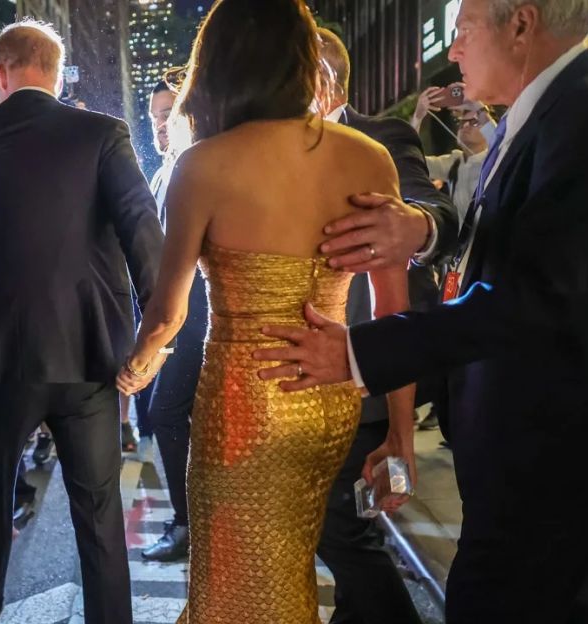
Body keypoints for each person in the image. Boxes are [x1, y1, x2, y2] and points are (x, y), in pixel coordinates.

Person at [258, 0, 588, 621]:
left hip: (558, 438)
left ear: (522, 24)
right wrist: (421, 235)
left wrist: (356, 350)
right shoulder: (550, 112)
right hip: (525, 430)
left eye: (462, 32)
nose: (452, 52)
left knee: (491, 600)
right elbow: (502, 248)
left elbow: (537, 296)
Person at [116, 1, 416, 622]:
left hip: (244, 407)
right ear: (305, 60)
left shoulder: (200, 166)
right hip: (332, 405)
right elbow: (394, 312)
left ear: (217, 66)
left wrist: (134, 370)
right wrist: (400, 436)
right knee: (290, 563)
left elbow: (167, 314)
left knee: (237, 585)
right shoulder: (368, 157)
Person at [0, 20, 163, 624]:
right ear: (57, 66)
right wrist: (152, 343)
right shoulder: (103, 134)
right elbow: (146, 241)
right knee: (98, 517)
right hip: (90, 361)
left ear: (0, 72)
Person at [310, 28, 460, 624]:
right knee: (347, 530)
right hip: (312, 374)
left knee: (346, 529)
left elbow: (433, 209)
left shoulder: (382, 137)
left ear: (325, 76)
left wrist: (415, 223)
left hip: (372, 370)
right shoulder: (283, 150)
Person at [138, 76, 206, 563]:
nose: (161, 123)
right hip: (175, 312)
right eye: (155, 116)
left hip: (198, 315)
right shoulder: (164, 171)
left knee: (165, 413)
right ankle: (196, 520)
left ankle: (189, 523)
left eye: (169, 114)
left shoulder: (196, 166)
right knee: (176, 416)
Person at [412, 86, 497, 225]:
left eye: (474, 122)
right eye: (462, 122)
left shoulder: (495, 158)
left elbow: (500, 140)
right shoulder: (454, 162)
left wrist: (478, 106)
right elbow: (413, 161)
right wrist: (418, 116)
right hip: (464, 244)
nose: (465, 126)